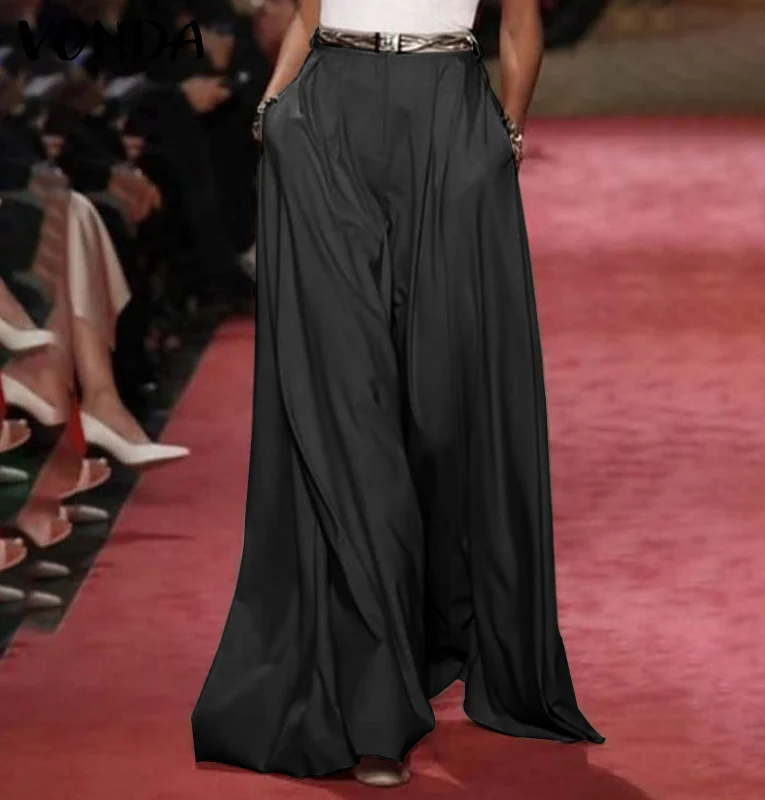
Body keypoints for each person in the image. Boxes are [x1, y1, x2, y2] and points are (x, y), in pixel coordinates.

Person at [193, 0, 603, 788]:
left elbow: (521, 21)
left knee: (442, 416)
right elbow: (308, 14)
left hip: (447, 112)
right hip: (327, 119)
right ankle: (373, 711)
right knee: (350, 416)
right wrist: (273, 109)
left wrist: (507, 134)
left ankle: (439, 626)